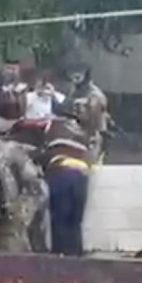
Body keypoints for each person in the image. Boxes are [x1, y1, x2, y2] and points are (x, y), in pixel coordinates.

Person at [42, 118, 91, 257]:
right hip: (82, 174)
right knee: (75, 220)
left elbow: (42, 155)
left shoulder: (52, 127)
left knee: (60, 218)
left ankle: (61, 255)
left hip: (61, 171)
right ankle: (76, 255)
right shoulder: (81, 133)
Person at [63, 64, 108, 164]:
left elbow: (94, 112)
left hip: (93, 129)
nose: (74, 81)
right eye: (73, 78)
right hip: (79, 128)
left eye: (78, 78)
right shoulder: (76, 91)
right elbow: (66, 105)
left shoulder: (95, 94)